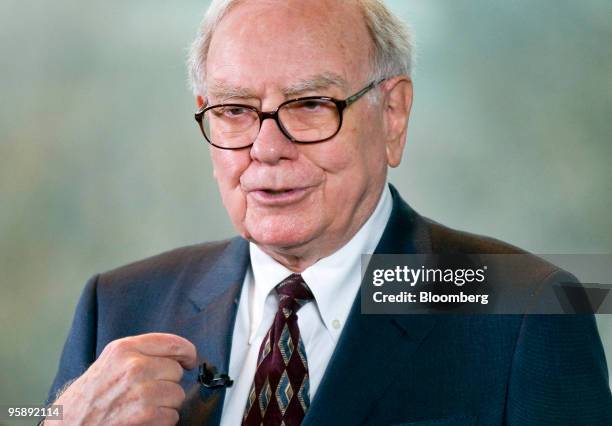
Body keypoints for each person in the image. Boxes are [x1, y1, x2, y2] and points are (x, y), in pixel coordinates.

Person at [46, 0, 611, 425]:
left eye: (312, 104)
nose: (267, 148)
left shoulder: (528, 310)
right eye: (236, 110)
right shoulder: (119, 307)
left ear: (393, 114)